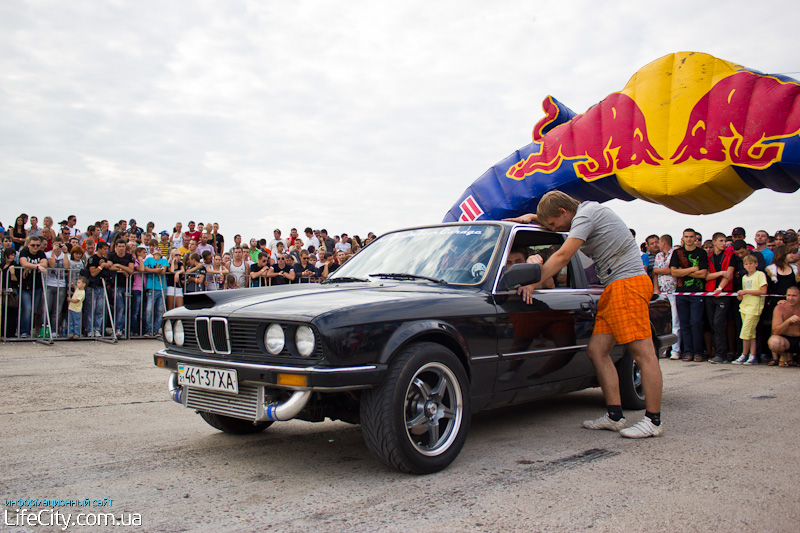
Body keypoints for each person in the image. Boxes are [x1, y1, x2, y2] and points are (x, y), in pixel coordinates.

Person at [507, 191, 664, 438]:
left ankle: (653, 422)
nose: (552, 228)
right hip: (613, 287)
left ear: (563, 212)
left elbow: (562, 255)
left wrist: (532, 283)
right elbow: (554, 227)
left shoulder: (587, 214)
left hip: (628, 284)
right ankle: (614, 416)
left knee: (643, 353)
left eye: (552, 224)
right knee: (597, 350)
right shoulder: (581, 216)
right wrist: (530, 219)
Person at [670, 228, 708, 362]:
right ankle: (688, 352)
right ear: (683, 238)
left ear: (695, 239)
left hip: (697, 291)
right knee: (684, 323)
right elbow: (674, 272)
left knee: (696, 322)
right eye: (687, 236)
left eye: (692, 237)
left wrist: (683, 271)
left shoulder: (701, 253)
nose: (689, 239)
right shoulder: (677, 253)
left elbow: (703, 274)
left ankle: (698, 352)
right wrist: (692, 270)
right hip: (681, 291)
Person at [705, 232, 737, 363]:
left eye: (725, 241)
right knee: (713, 324)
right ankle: (716, 352)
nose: (724, 243)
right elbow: (706, 276)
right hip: (709, 293)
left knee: (719, 323)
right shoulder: (708, 257)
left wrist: (720, 288)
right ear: (714, 242)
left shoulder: (731, 256)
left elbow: (729, 274)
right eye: (721, 241)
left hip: (723, 294)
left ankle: (721, 354)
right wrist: (721, 273)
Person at [732, 254, 767, 365]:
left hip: (754, 307)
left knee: (745, 333)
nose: (749, 266)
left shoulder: (760, 275)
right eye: (746, 264)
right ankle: (752, 355)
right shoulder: (744, 277)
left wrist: (746, 292)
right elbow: (744, 292)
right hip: (744, 306)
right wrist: (741, 295)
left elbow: (762, 291)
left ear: (756, 264)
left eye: (751, 263)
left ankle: (744, 354)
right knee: (751, 334)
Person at [18, 235, 48, 337]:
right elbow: (23, 263)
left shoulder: (41, 253)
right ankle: (23, 331)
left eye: (37, 245)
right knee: (27, 308)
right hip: (25, 286)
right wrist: (37, 266)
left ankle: (30, 330)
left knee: (33, 310)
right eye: (33, 245)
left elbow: (45, 263)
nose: (35, 247)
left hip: (37, 286)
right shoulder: (24, 251)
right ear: (28, 245)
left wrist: (32, 266)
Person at [107, 240, 135, 337]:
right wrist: (122, 269)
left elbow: (131, 270)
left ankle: (124, 329)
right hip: (116, 285)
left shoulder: (129, 257)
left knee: (126, 308)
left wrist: (119, 266)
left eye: (123, 246)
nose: (121, 248)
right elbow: (109, 267)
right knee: (120, 307)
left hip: (127, 285)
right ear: (116, 247)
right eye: (120, 246)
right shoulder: (112, 256)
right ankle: (118, 329)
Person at [44, 237, 70, 337]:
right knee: (47, 308)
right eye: (56, 244)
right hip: (49, 284)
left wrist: (65, 252)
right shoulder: (47, 254)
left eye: (60, 244)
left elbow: (66, 267)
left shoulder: (66, 255)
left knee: (57, 310)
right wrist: (53, 252)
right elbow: (52, 265)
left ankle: (54, 330)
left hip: (61, 284)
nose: (58, 246)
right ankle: (45, 329)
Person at [768, 285, 800, 366]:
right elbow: (776, 331)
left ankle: (795, 359)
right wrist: (788, 321)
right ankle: (784, 355)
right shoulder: (780, 308)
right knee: (774, 341)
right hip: (785, 340)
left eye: (794, 296)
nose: (790, 298)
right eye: (788, 295)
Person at [86, 241, 110, 337]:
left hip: (102, 287)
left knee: (100, 310)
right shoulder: (92, 259)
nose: (106, 251)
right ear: (99, 249)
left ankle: (97, 329)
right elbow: (93, 273)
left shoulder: (104, 259)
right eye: (104, 249)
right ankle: (89, 329)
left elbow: (109, 267)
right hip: (92, 287)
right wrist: (101, 266)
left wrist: (105, 264)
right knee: (91, 309)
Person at [143, 248, 169, 336]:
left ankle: (157, 329)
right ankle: (149, 329)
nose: (158, 251)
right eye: (156, 249)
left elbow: (163, 271)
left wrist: (153, 271)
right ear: (152, 252)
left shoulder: (164, 260)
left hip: (162, 288)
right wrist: (155, 270)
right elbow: (144, 269)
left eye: (159, 250)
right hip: (151, 287)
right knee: (149, 310)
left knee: (160, 310)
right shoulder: (148, 259)